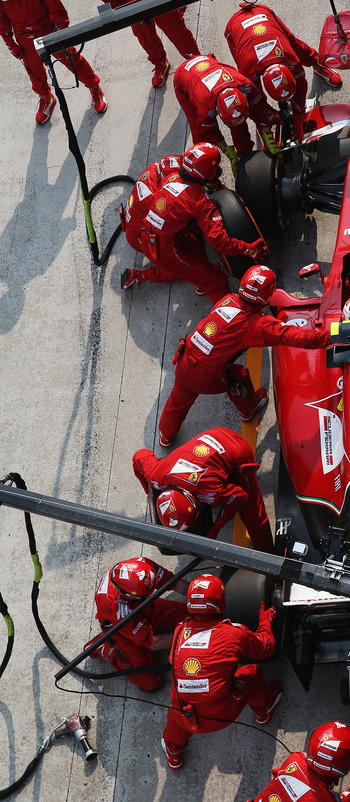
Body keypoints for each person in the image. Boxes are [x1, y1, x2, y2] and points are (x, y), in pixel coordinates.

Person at [158, 264, 328, 445]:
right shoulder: (256, 325)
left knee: (176, 403)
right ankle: (249, 410)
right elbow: (292, 336)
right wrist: (327, 337)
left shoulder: (228, 299)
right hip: (207, 376)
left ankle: (165, 436)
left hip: (185, 360)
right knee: (239, 377)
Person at [161, 574, 282, 770]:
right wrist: (265, 621)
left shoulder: (178, 630)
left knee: (175, 715)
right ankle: (263, 711)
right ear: (221, 603)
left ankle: (173, 756)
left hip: (184, 716)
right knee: (252, 671)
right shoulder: (234, 633)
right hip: (222, 713)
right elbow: (266, 647)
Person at [119, 142, 267, 303]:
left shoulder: (170, 177)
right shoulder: (200, 201)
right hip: (159, 247)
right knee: (215, 281)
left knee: (195, 242)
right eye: (215, 167)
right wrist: (248, 250)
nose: (219, 171)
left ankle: (198, 280)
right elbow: (219, 242)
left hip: (153, 234)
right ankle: (229, 323)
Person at [0, 0, 106, 124]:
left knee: (73, 61)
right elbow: (1, 20)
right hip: (24, 38)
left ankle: (94, 87)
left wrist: (61, 30)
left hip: (48, 31)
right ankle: (45, 98)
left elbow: (55, 6)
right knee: (34, 72)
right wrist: (10, 43)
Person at [132, 426, 273, 553]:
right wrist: (147, 489)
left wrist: (215, 528)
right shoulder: (156, 476)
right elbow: (139, 456)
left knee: (254, 516)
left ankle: (270, 560)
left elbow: (240, 496)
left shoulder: (211, 493)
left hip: (238, 450)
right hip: (212, 435)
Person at [225, 1, 342, 143]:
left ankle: (318, 65)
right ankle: (263, 124)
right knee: (254, 94)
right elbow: (254, 101)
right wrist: (264, 121)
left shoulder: (290, 58)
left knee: (296, 45)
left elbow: (300, 87)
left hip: (264, 13)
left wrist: (299, 121)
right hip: (234, 27)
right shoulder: (247, 71)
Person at [87, 556, 188, 692]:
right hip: (122, 629)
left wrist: (201, 599)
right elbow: (153, 643)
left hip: (143, 608)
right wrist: (191, 636)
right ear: (127, 595)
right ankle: (106, 647)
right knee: (152, 683)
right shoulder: (115, 609)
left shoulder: (143, 565)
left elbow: (173, 582)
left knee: (193, 613)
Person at [173, 53, 281, 171]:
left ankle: (245, 154)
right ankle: (205, 175)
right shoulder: (205, 107)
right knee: (200, 137)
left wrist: (266, 132)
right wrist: (228, 152)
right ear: (218, 112)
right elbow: (210, 133)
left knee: (239, 126)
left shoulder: (247, 85)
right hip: (183, 76)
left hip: (207, 63)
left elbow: (260, 110)